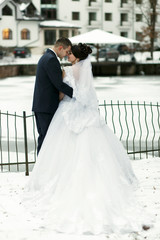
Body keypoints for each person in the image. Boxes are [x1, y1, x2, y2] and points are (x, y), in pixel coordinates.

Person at [25, 43, 151, 235]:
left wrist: (69, 97)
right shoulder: (80, 69)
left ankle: (53, 175)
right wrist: (79, 99)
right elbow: (84, 92)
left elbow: (60, 90)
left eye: (70, 54)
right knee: (82, 145)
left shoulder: (67, 70)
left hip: (67, 109)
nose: (67, 56)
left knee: (56, 143)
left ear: (75, 56)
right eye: (66, 52)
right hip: (81, 108)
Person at [32, 37, 73, 154]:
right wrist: (77, 94)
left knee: (45, 138)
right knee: (46, 138)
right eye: (66, 52)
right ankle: (41, 168)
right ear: (60, 48)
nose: (66, 55)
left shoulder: (47, 57)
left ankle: (41, 167)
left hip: (43, 106)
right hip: (46, 107)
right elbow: (59, 84)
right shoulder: (51, 60)